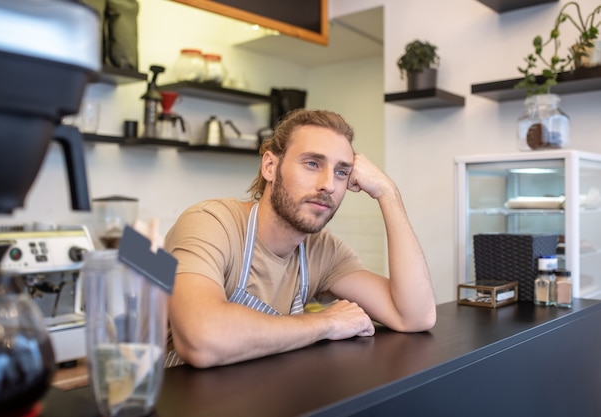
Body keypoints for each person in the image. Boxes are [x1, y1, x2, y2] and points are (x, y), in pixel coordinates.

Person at [164, 109, 436, 368]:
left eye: (341, 171)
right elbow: (201, 338)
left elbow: (414, 316)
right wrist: (325, 323)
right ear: (270, 166)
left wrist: (388, 193)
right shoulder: (211, 223)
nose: (328, 184)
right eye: (312, 163)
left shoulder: (323, 250)